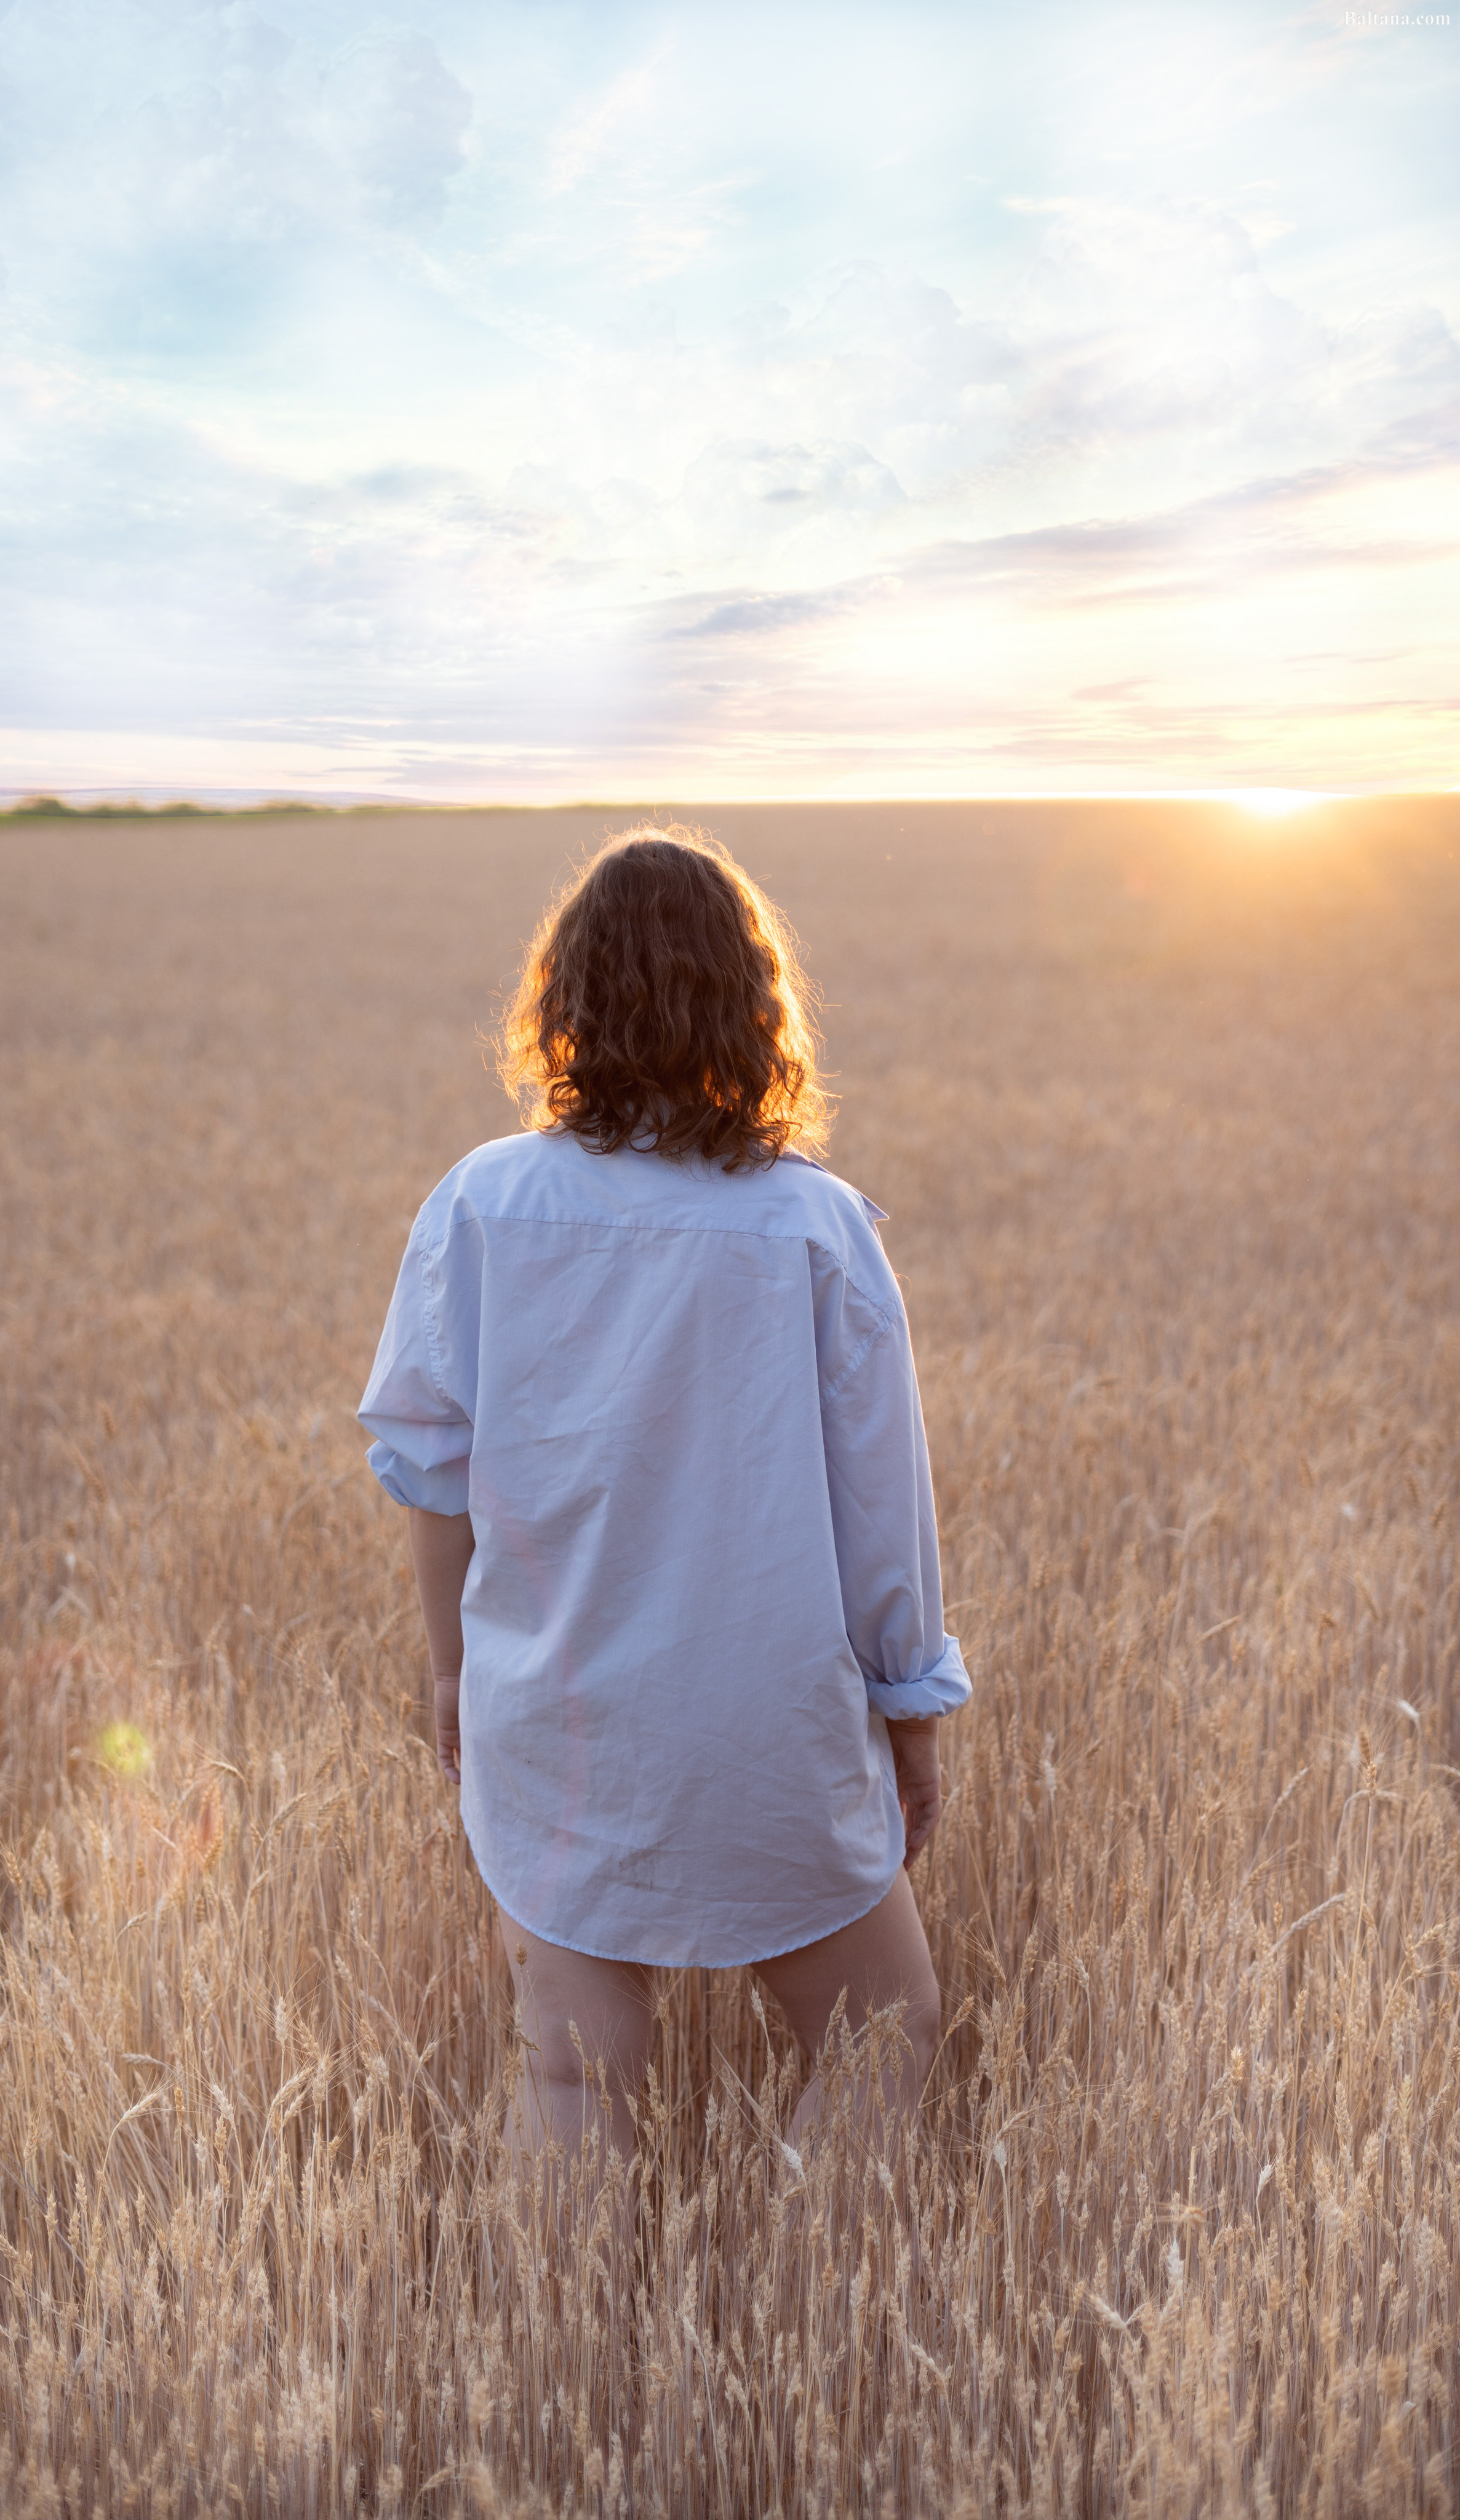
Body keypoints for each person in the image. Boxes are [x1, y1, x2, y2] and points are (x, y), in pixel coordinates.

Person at [357, 826, 969, 2167]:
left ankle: (548, 2374)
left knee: (572, 2080)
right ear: (751, 1006)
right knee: (881, 2027)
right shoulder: (814, 1227)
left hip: (554, 1714)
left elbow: (428, 1463)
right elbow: (885, 1511)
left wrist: (455, 1672)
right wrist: (909, 1709)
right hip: (764, 1724)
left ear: (563, 1000)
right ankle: (807, 2354)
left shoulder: (480, 1203)